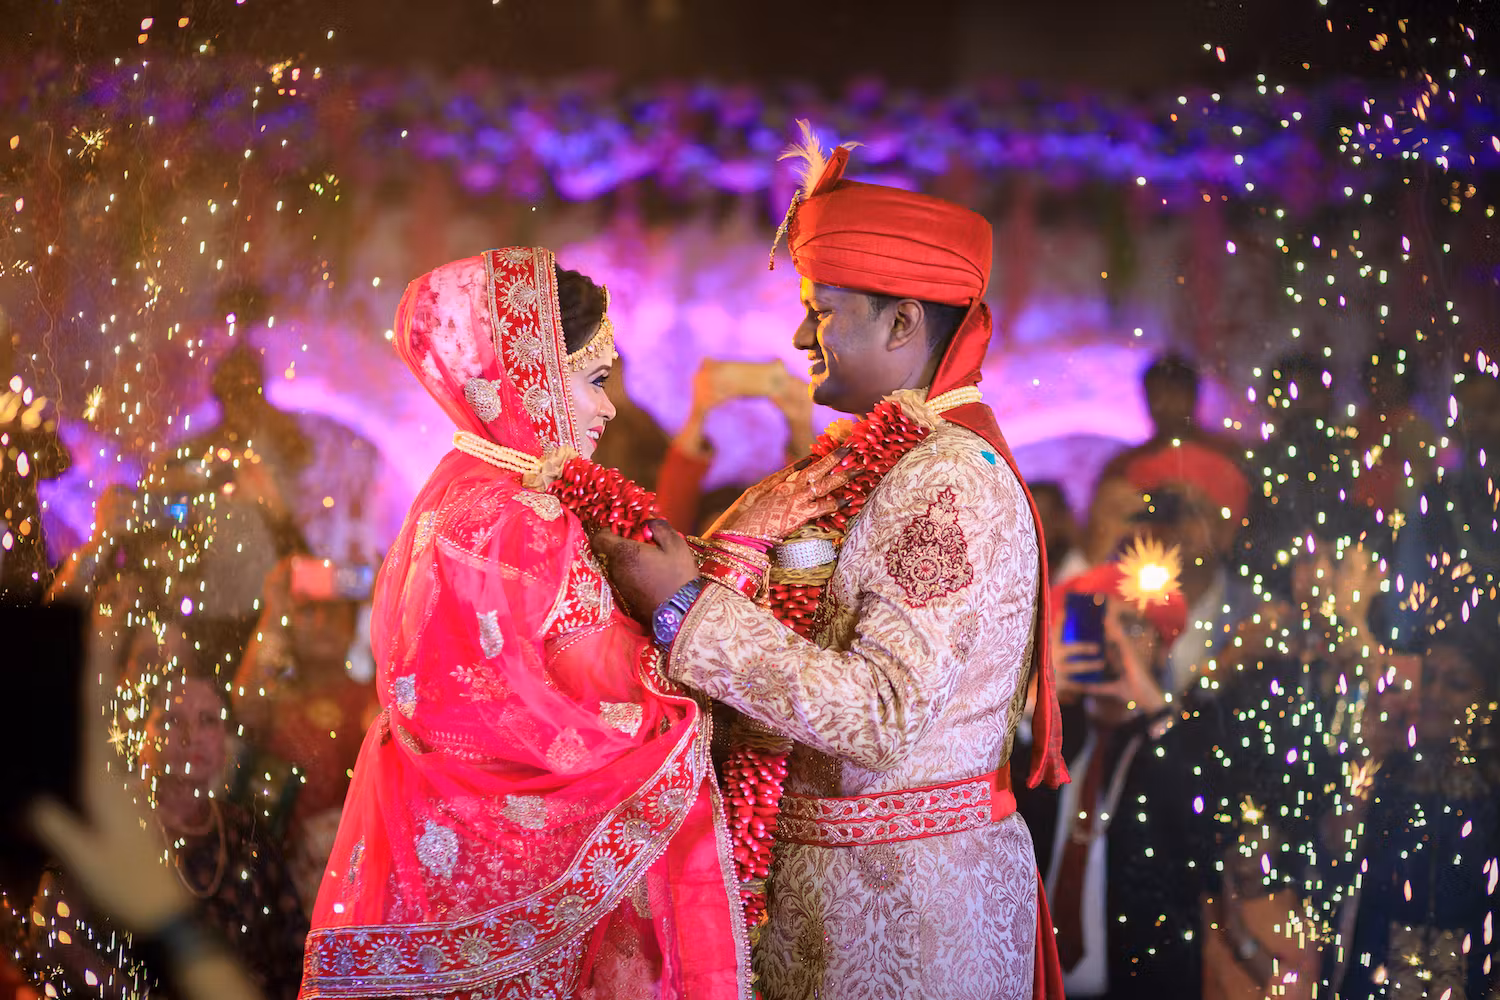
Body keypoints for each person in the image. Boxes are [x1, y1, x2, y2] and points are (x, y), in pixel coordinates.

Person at [594, 124, 1068, 998]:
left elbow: (882, 713)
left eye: (824, 312)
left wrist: (687, 608)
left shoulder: (948, 483)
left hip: (912, 927)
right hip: (833, 906)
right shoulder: (874, 462)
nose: (803, 335)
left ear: (902, 321)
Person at [296, 248, 747, 998]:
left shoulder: (451, 492)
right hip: (518, 877)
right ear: (527, 373)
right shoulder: (530, 514)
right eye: (596, 381)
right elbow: (551, 700)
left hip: (432, 858)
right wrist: (690, 677)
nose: (607, 408)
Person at [27, 671, 308, 1000]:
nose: (191, 736)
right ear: (141, 736)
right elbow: (56, 940)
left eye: (207, 720)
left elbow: (294, 954)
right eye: (171, 720)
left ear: (225, 744)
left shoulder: (247, 833)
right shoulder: (109, 826)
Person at [232, 556, 380, 912]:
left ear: (351, 625)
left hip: (352, 882)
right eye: (308, 612)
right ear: (290, 625)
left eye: (335, 613)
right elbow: (246, 706)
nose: (322, 624)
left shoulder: (372, 698)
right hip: (274, 880)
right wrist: (274, 611)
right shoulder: (278, 700)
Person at [1097, 353, 1241, 483]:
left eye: (1174, 395)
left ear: (1193, 396)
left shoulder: (1226, 457)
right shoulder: (1124, 467)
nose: (1165, 406)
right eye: (1157, 396)